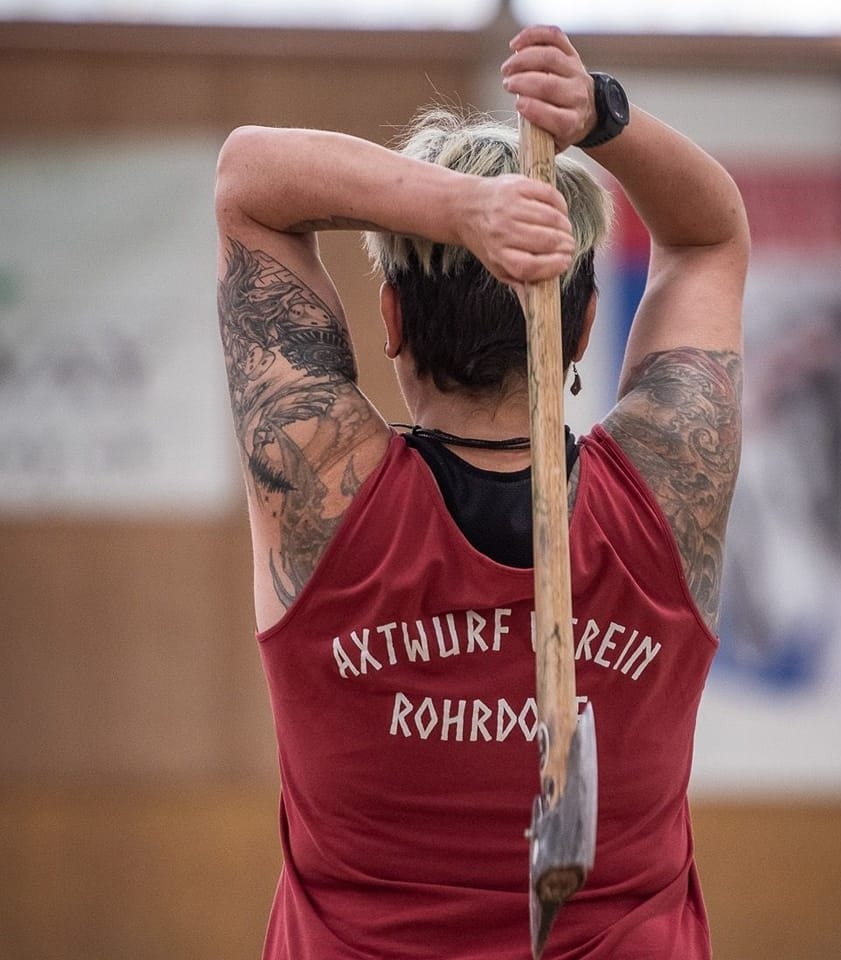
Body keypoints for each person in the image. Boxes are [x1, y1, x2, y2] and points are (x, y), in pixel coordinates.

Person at [215, 23, 747, 960]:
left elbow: (248, 183)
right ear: (583, 328)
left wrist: (460, 213)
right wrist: (601, 115)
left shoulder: (325, 491)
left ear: (390, 318)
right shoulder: (669, 489)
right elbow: (710, 238)